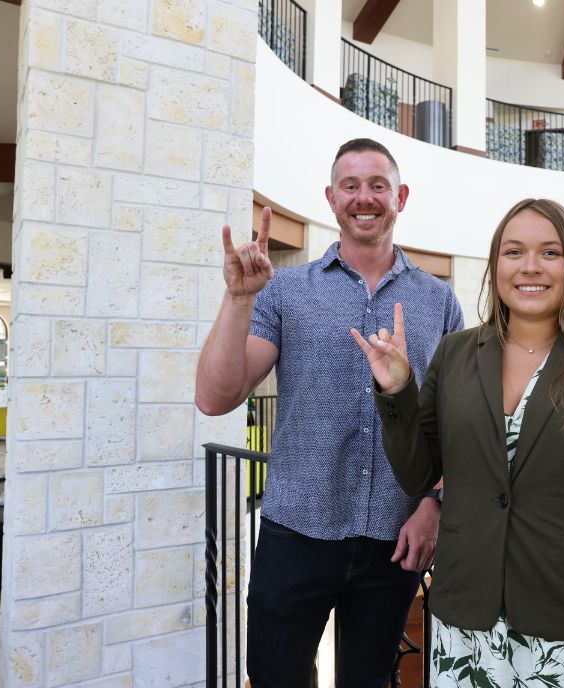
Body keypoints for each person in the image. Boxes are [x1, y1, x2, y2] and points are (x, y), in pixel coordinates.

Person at [353, 198, 564, 688]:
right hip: (465, 628)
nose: (530, 267)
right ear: (496, 266)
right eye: (514, 252)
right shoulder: (456, 353)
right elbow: (417, 472)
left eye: (550, 253)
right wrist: (396, 391)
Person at [195, 138, 464, 687]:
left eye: (378, 185)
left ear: (401, 197)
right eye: (351, 185)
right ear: (331, 198)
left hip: (395, 538)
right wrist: (239, 299)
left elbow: (455, 424)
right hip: (296, 531)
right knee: (276, 678)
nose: (364, 197)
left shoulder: (438, 301)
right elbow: (216, 397)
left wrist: (435, 501)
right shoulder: (285, 290)